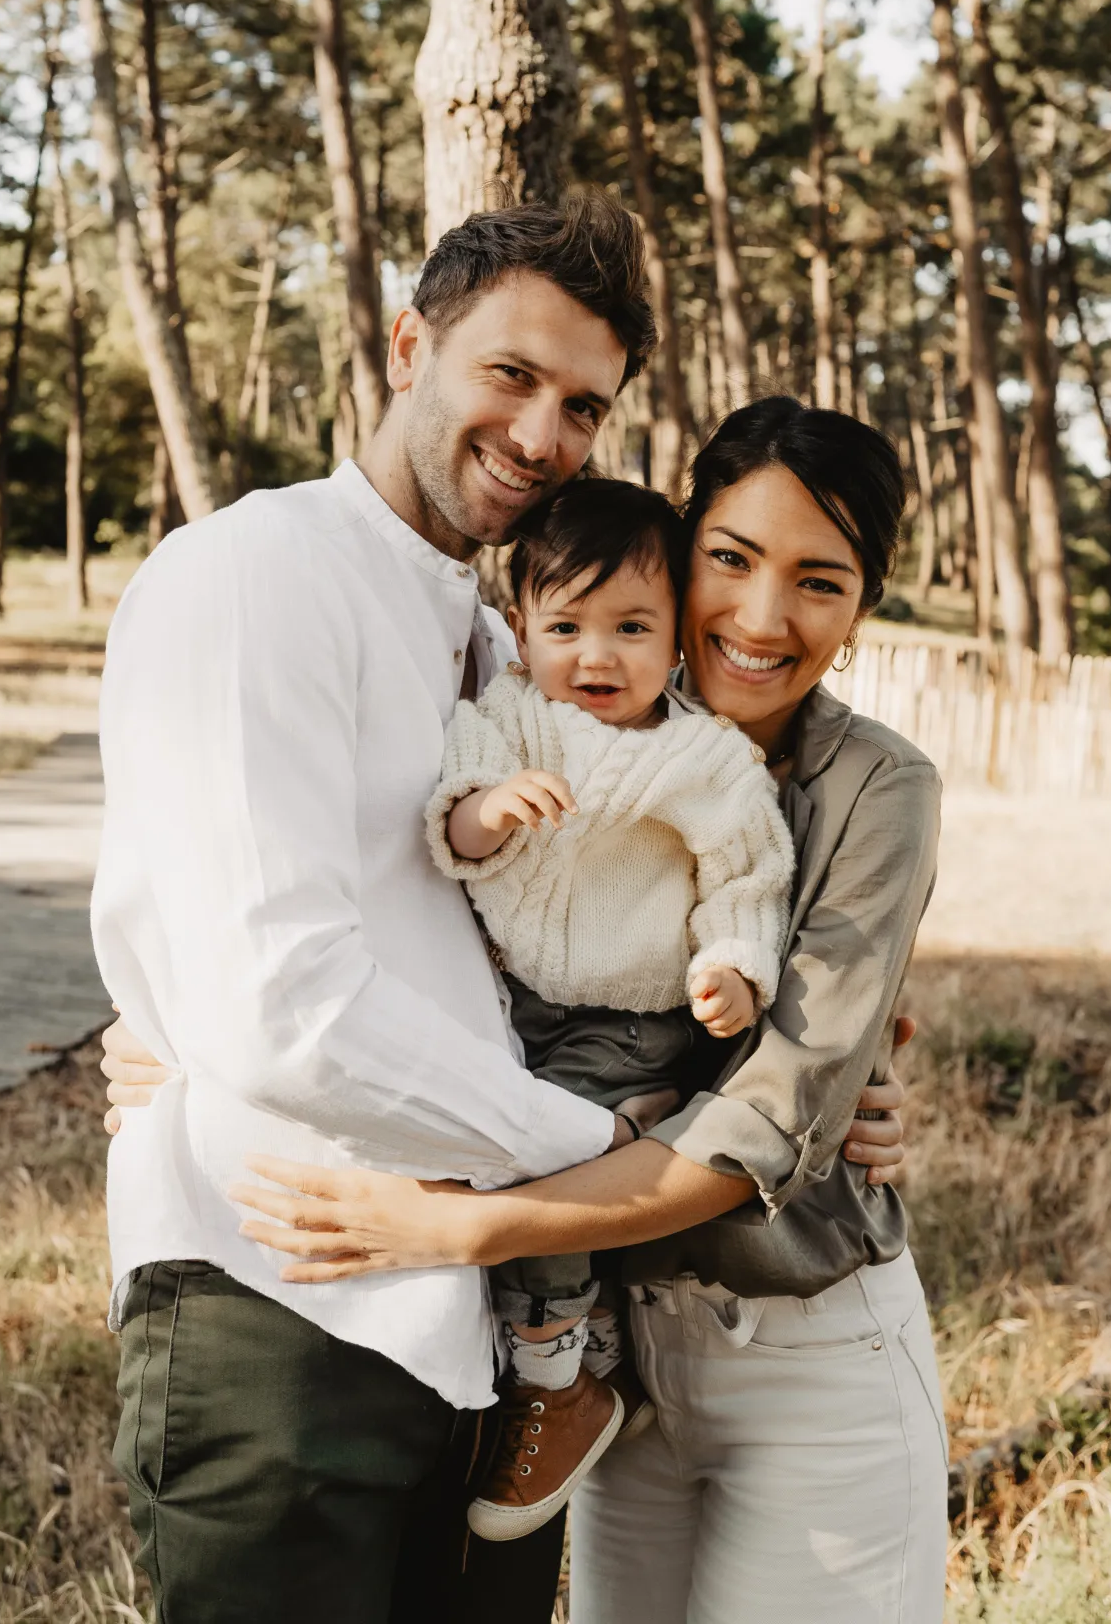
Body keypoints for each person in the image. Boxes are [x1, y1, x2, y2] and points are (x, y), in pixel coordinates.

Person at [93, 198, 910, 1624]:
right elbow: (276, 1007)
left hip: (477, 1335)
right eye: (510, 376)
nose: (542, 434)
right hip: (292, 1297)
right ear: (410, 343)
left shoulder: (496, 638)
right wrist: (601, 1144)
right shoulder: (261, 572)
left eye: (583, 405)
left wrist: (827, 1079)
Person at [428, 477, 794, 1540]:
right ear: (518, 630)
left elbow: (746, 881)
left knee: (541, 1168)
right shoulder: (502, 719)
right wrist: (488, 813)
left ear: (675, 639)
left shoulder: (704, 761)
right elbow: (449, 816)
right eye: (566, 627)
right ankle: (585, 1345)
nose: (598, 657)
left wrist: (733, 965)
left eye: (631, 628)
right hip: (512, 1000)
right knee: (475, 1138)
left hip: (628, 1021)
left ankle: (555, 1386)